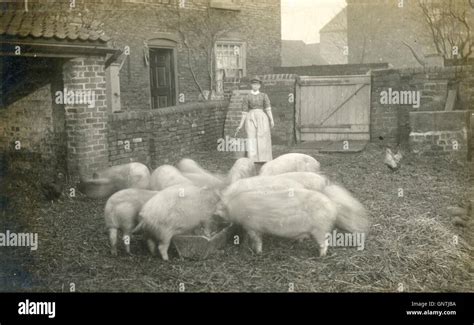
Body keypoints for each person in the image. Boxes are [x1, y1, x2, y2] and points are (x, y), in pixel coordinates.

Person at [235, 76, 274, 167]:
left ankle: (264, 158)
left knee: (262, 137)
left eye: (257, 84)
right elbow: (244, 112)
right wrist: (240, 125)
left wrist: (271, 119)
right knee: (251, 137)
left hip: (262, 118)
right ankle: (252, 159)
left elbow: (268, 109)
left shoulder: (264, 96)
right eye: (253, 84)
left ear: (260, 86)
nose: (255, 86)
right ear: (251, 85)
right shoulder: (247, 97)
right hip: (250, 118)